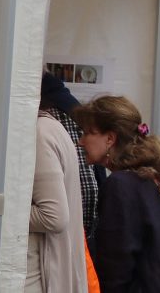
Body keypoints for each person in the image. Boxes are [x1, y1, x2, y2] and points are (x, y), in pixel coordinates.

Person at [74, 96, 160, 293]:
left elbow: (116, 265)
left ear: (110, 138)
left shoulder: (121, 185)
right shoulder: (155, 178)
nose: (81, 141)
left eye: (88, 133)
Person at [29, 105, 89, 293]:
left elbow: (53, 216)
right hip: (51, 271)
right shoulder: (50, 128)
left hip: (41, 276)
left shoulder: (39, 132)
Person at [41, 74, 101, 238]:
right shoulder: (68, 106)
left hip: (68, 235)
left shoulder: (52, 114)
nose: (81, 142)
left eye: (88, 134)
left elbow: (87, 189)